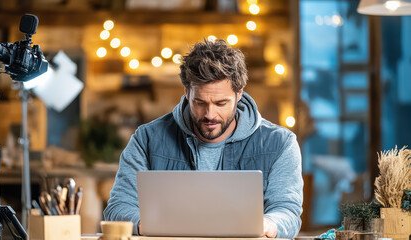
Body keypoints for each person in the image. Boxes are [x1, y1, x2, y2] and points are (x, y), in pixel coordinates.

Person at [104, 39, 303, 238]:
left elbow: (287, 212)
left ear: (239, 94)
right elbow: (118, 208)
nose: (210, 114)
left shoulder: (280, 143)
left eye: (221, 103)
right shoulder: (146, 139)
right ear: (187, 93)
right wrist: (148, 225)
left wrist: (270, 224)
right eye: (200, 102)